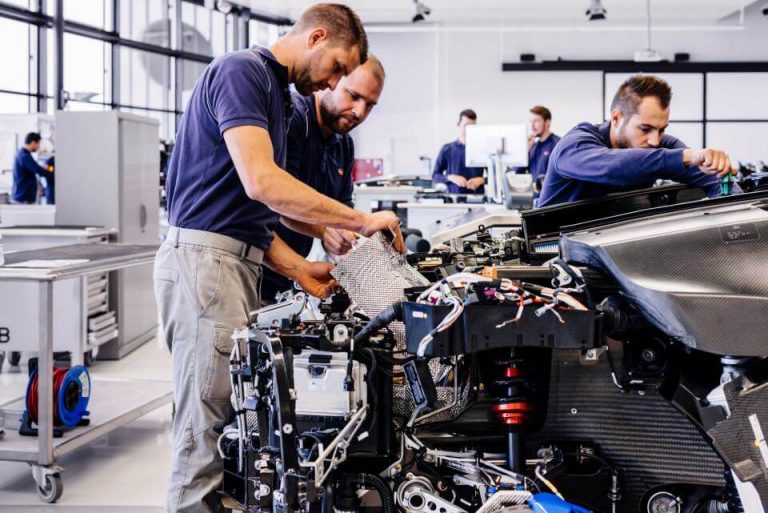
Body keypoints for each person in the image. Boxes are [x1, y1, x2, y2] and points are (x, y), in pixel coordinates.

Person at [154, 5, 403, 512]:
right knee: (202, 429)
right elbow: (263, 185)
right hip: (207, 265)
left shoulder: (270, 89)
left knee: (231, 422)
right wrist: (359, 220)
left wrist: (299, 268)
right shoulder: (242, 71)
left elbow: (245, 212)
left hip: (233, 263)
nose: (335, 81)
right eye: (337, 68)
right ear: (315, 37)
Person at [261, 55, 386, 303]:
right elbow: (279, 202)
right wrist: (330, 229)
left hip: (292, 276)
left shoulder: (344, 144)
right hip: (255, 266)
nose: (359, 112)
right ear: (333, 81)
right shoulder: (293, 118)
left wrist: (348, 244)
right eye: (354, 96)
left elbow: (340, 217)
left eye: (370, 105)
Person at [538, 74, 739, 208]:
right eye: (645, 129)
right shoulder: (575, 145)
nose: (654, 140)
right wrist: (687, 155)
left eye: (661, 130)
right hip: (552, 254)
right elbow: (613, 167)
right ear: (616, 118)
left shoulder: (662, 147)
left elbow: (715, 183)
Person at [432, 109, 485, 195]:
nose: (469, 130)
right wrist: (450, 177)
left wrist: (481, 180)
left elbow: (495, 177)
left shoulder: (482, 150)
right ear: (458, 124)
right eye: (466, 126)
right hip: (453, 200)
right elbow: (435, 176)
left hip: (477, 199)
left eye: (472, 126)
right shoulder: (447, 149)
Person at [515, 106, 560, 202]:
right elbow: (517, 173)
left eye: (536, 121)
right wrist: (525, 150)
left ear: (547, 122)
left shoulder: (557, 144)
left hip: (551, 200)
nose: (532, 126)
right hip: (534, 199)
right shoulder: (533, 146)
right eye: (531, 122)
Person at [11, 132, 54, 204]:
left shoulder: (21, 153)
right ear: (33, 142)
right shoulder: (24, 156)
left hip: (21, 196)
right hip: (22, 198)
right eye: (38, 144)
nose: (38, 147)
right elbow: (38, 170)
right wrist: (52, 173)